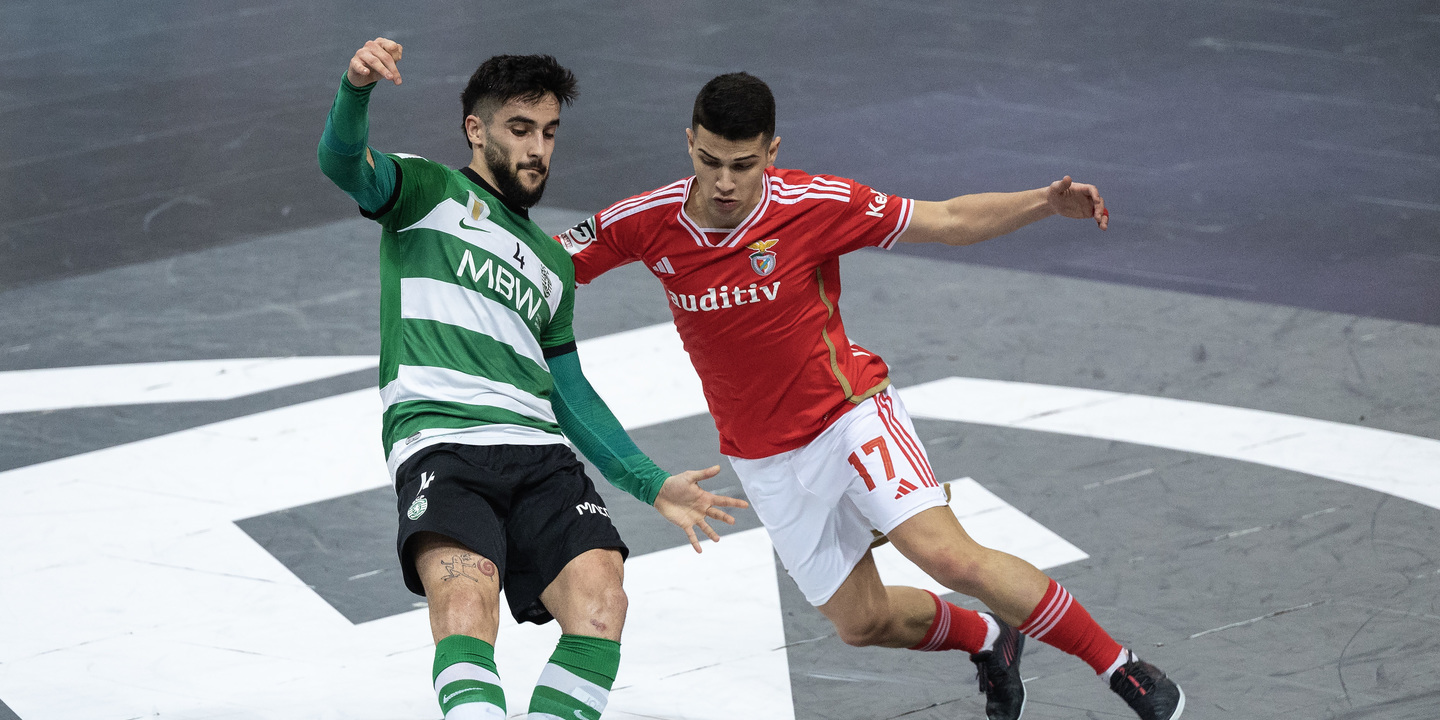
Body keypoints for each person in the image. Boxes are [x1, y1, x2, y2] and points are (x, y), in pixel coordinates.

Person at [557, 72, 1184, 720]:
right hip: (763, 459)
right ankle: (990, 639)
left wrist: (1044, 204)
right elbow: (540, 265)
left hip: (845, 416)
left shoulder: (814, 203)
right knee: (862, 622)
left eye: (742, 165)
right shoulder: (644, 222)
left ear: (771, 154)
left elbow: (946, 221)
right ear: (689, 144)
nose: (723, 182)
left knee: (946, 555)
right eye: (709, 160)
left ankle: (1123, 668)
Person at [317, 38, 747, 720]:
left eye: (548, 133)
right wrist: (356, 88)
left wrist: (650, 481)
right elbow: (342, 162)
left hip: (540, 454)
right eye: (520, 130)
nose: (538, 149)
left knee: (602, 598)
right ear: (476, 129)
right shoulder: (425, 191)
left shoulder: (551, 262)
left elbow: (569, 391)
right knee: (466, 600)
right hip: (443, 441)